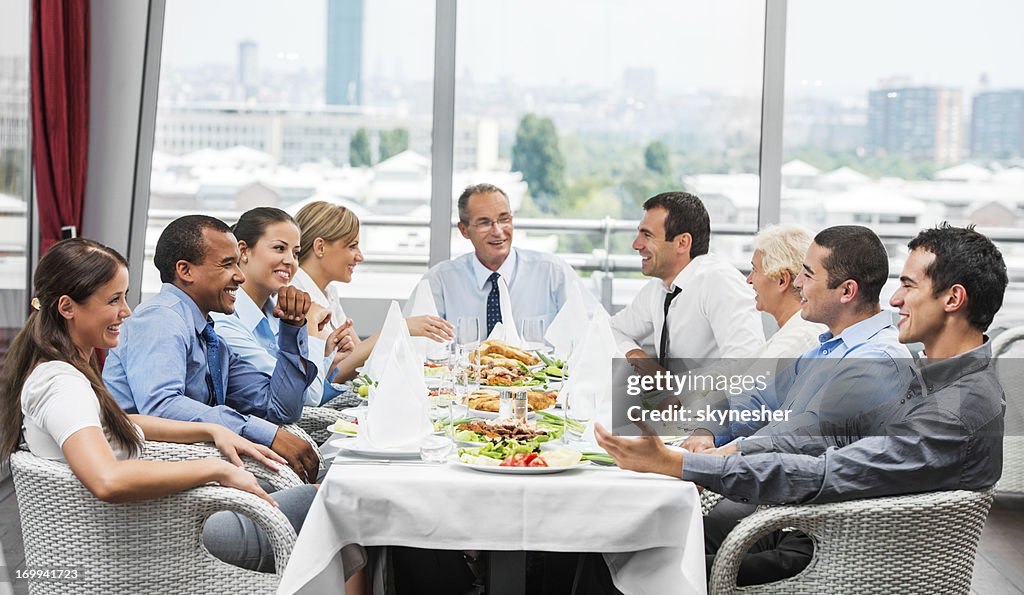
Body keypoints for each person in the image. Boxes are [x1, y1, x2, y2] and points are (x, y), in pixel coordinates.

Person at [597, 223, 1007, 587]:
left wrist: (682, 464)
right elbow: (778, 414)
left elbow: (824, 470)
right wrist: (704, 441)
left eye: (909, 286)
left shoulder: (955, 409)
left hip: (835, 559)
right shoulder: (937, 376)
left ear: (953, 299)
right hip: (819, 529)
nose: (895, 299)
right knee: (624, 546)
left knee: (628, 564)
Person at [0, 238, 316, 573]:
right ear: (67, 308)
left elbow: (118, 420)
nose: (127, 311)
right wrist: (216, 469)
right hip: (153, 543)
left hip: (151, 527)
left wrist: (211, 428)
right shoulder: (61, 384)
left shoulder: (65, 375)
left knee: (326, 506)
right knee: (324, 503)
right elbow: (107, 479)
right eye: (113, 300)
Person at [103, 215, 321, 483]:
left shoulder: (210, 337)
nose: (240, 277)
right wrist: (261, 431)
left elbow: (280, 408)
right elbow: (161, 406)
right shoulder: (160, 318)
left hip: (194, 465)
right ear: (185, 271)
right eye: (227, 265)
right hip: (150, 474)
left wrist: (292, 327)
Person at [682, 225, 914, 451]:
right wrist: (708, 430)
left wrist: (720, 455)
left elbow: (800, 436)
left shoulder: (875, 360)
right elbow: (757, 399)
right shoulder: (825, 350)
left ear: (846, 291)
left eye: (808, 274)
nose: (798, 282)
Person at [291, 200, 453, 383]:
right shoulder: (298, 297)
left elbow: (360, 359)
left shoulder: (329, 293)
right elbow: (327, 375)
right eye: (352, 246)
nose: (360, 256)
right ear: (320, 247)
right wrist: (398, 328)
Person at [210, 207, 354, 407]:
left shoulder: (279, 315)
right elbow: (306, 398)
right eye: (279, 248)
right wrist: (310, 326)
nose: (290, 261)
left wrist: (328, 359)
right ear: (243, 251)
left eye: (295, 253)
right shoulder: (224, 325)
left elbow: (307, 393)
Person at [611, 191, 765, 369]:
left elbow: (745, 366)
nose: (636, 244)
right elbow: (612, 330)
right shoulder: (660, 287)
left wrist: (675, 387)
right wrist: (635, 355)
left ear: (682, 243)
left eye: (647, 235)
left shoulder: (720, 282)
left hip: (710, 397)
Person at [417, 183, 579, 335]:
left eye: (504, 219)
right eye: (484, 223)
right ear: (464, 230)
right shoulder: (439, 281)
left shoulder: (553, 272)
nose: (498, 231)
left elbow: (592, 334)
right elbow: (410, 345)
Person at [744, 224, 826, 359]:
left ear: (782, 280)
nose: (749, 280)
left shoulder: (797, 341)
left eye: (755, 270)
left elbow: (747, 379)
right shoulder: (794, 333)